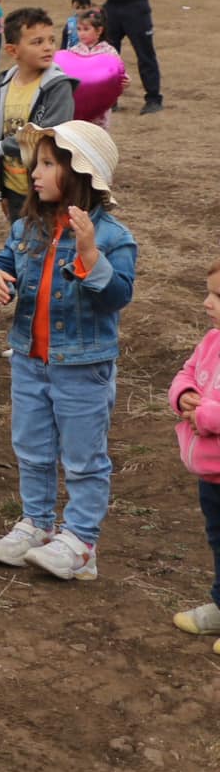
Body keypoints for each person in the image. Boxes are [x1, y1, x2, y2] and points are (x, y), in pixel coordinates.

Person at [0, 121, 134, 581]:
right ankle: (39, 526)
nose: (35, 173)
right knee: (32, 447)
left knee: (85, 457)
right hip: (30, 360)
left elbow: (117, 296)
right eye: (37, 163)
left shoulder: (113, 237)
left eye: (48, 164)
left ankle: (82, 542)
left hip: (83, 368)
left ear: (80, 173)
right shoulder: (28, 227)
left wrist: (89, 254)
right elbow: (1, 269)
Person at [170, 259, 220, 647]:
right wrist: (183, 394)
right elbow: (186, 372)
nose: (207, 303)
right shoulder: (210, 342)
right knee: (217, 539)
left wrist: (203, 414)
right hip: (210, 473)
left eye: (218, 296)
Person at [0, 8, 74, 222]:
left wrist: (0, 147)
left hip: (47, 190)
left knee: (46, 248)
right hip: (14, 189)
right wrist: (4, 191)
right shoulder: (3, 84)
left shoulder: (58, 87)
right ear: (13, 50)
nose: (48, 47)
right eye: (37, 42)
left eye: (51, 40)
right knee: (20, 247)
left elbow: (43, 134)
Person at [60, 9, 128, 128]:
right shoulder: (73, 51)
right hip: (77, 108)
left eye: (86, 29)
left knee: (97, 137)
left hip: (99, 111)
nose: (81, 33)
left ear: (99, 30)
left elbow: (118, 73)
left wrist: (126, 82)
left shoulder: (108, 52)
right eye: (79, 29)